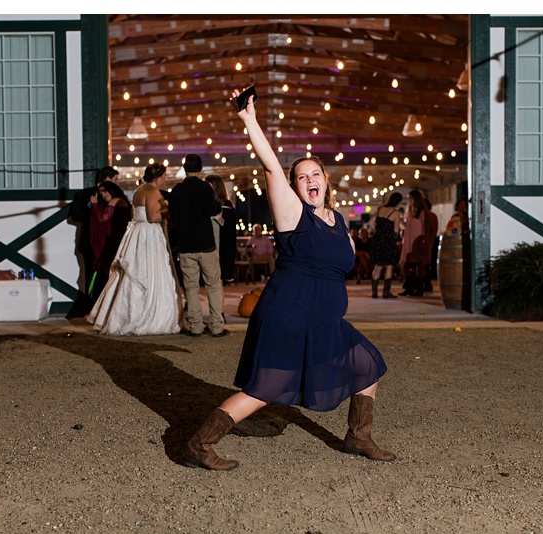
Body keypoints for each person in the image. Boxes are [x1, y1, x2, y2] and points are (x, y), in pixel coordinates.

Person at [181, 88, 393, 471]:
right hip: (290, 314)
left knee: (367, 363)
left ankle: (358, 437)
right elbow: (270, 166)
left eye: (315, 174)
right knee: (263, 389)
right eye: (301, 177)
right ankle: (199, 443)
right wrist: (250, 121)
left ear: (326, 180)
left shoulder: (338, 220)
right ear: (294, 187)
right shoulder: (293, 215)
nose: (309, 180)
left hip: (324, 319)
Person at [88, 164, 181, 336]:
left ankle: (124, 314)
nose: (165, 179)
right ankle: (146, 315)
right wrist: (170, 211)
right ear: (159, 176)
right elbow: (153, 217)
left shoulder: (139, 190)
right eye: (164, 176)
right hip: (149, 236)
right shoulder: (152, 191)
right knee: (150, 273)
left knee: (134, 275)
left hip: (138, 233)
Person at [167, 155, 226, 337]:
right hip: (205, 244)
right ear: (200, 169)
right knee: (213, 285)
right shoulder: (204, 188)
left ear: (184, 168)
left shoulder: (177, 190)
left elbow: (172, 216)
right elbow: (213, 209)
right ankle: (216, 327)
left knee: (191, 287)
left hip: (185, 246)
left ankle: (195, 327)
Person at [67, 167, 125, 318]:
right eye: (115, 180)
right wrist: (94, 213)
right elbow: (75, 215)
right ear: (107, 179)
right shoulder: (85, 194)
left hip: (110, 242)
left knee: (108, 275)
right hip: (90, 242)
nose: (117, 183)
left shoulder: (115, 198)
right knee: (91, 277)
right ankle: (91, 308)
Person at [399, 190, 439, 297]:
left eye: (411, 198)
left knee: (419, 264)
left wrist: (425, 242)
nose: (409, 200)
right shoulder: (410, 211)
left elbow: (425, 228)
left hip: (417, 240)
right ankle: (409, 286)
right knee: (404, 264)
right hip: (408, 240)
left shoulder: (421, 211)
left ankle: (419, 287)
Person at [365, 193, 404, 298]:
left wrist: (374, 231)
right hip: (388, 240)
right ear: (398, 202)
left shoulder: (379, 209)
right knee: (389, 266)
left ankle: (374, 292)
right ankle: (386, 292)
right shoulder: (395, 213)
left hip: (377, 240)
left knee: (377, 266)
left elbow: (370, 223)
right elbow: (396, 230)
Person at [210, 175, 237, 285]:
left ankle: (217, 303)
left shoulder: (227, 204)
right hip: (209, 245)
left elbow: (230, 227)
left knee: (218, 282)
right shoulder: (207, 204)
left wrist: (218, 218)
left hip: (221, 246)